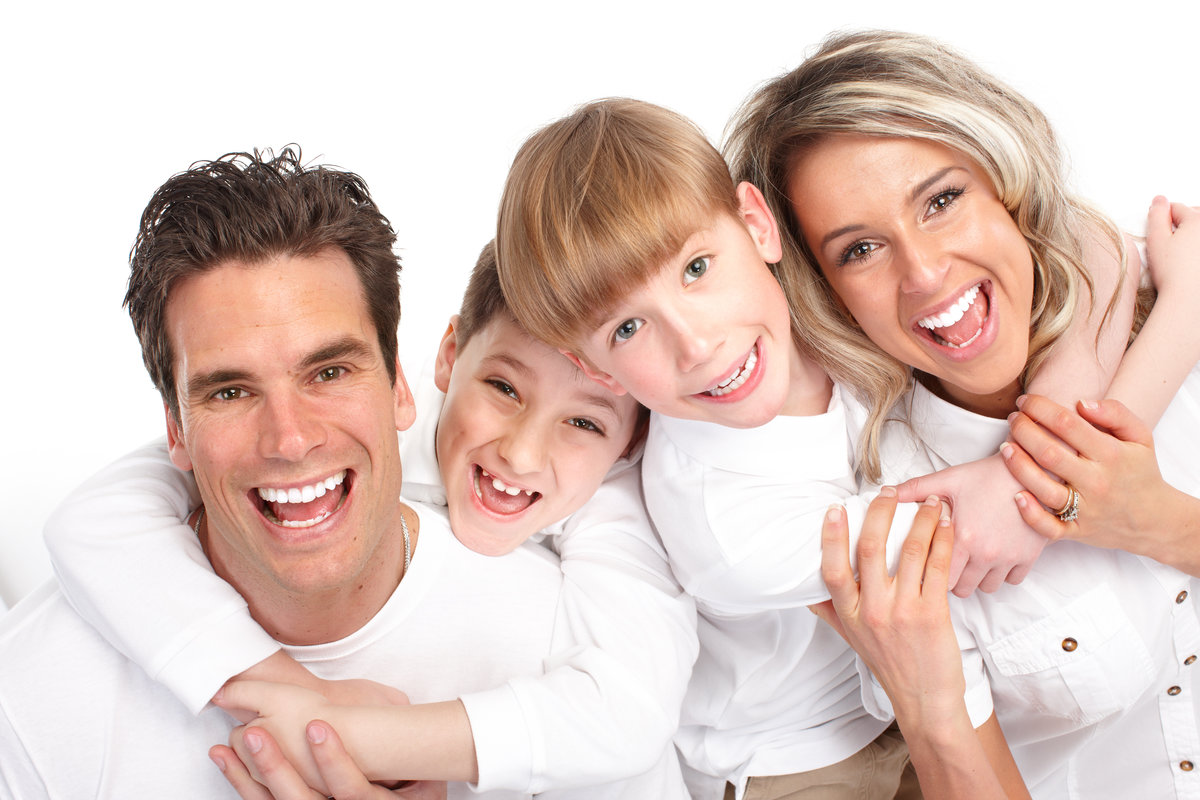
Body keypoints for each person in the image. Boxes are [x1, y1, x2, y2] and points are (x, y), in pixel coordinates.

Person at [1, 149, 690, 799]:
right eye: (230, 391)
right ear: (175, 430)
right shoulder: (34, 682)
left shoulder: (565, 654)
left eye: (329, 371)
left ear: (401, 386)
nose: (291, 439)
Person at [727, 29, 1200, 798]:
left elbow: (1091, 239)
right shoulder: (896, 513)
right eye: (860, 250)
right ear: (824, 291)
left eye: (942, 201)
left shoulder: (1166, 290)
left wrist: (1150, 518)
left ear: (1004, 181)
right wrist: (928, 703)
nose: (924, 272)